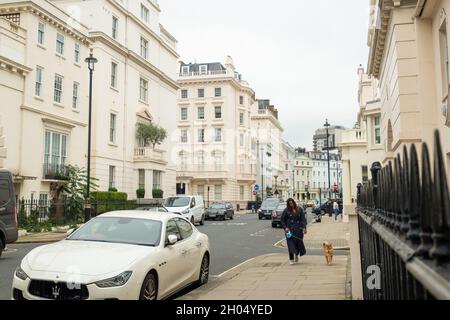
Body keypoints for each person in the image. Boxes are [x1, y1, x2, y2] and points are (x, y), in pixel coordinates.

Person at [281, 198, 308, 265]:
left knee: (298, 243)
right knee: (290, 245)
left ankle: (296, 254)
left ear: (294, 202)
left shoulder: (300, 209)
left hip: (299, 230)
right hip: (289, 231)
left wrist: (304, 227)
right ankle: (291, 258)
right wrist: (285, 227)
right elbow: (282, 220)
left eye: (292, 203)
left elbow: (303, 219)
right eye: (289, 204)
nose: (291, 205)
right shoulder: (286, 211)